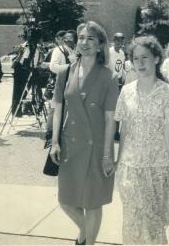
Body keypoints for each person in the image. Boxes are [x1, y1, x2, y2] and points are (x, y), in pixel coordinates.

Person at [50, 21, 119, 245]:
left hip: (97, 147)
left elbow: (110, 120)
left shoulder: (109, 76)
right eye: (81, 37)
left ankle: (87, 243)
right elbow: (58, 109)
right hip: (70, 145)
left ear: (100, 45)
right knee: (66, 201)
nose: (84, 42)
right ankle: (85, 232)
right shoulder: (65, 72)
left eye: (91, 39)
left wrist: (108, 155)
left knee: (92, 202)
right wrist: (54, 142)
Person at [115, 35, 169, 244]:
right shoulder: (126, 92)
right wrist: (119, 162)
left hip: (157, 167)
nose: (140, 63)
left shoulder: (168, 94)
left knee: (153, 224)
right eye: (136, 58)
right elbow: (124, 129)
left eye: (145, 57)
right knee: (132, 221)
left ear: (156, 58)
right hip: (130, 167)